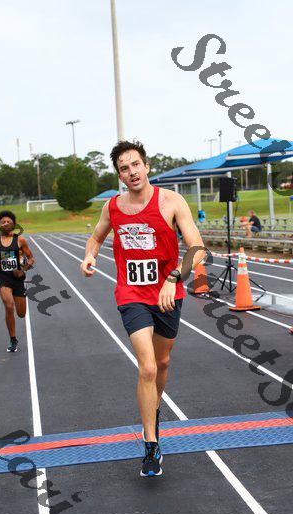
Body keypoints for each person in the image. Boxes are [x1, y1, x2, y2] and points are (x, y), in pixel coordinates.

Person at [80, 140, 205, 477]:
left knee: (162, 363)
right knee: (147, 367)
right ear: (119, 175)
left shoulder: (171, 202)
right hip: (131, 293)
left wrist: (174, 277)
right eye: (124, 168)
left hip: (168, 294)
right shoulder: (112, 207)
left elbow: (197, 248)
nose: (132, 172)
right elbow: (96, 237)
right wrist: (90, 255)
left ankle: (153, 408)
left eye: (136, 164)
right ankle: (151, 444)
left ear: (146, 166)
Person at [0, 211, 34, 352]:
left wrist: (23, 270)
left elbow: (31, 259)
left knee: (21, 314)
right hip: (2, 277)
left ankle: (13, 336)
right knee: (8, 305)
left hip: (17, 278)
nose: (5, 224)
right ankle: (13, 339)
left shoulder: (20, 240)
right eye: (2, 222)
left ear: (13, 224)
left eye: (8, 221)